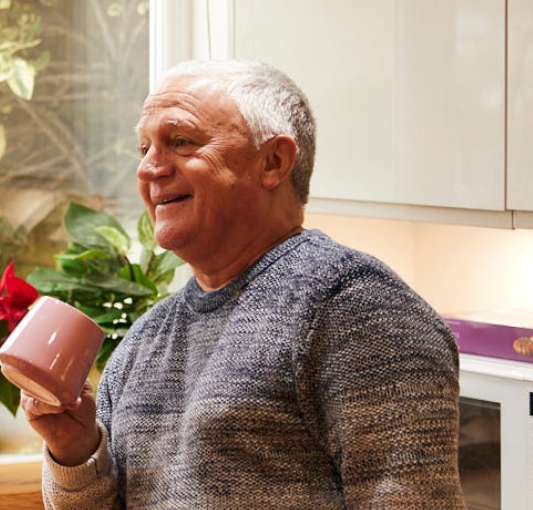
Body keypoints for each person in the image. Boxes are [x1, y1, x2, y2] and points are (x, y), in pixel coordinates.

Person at [25, 59, 464, 508]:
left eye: (180, 142)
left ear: (273, 162)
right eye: (144, 149)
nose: (150, 169)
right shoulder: (145, 340)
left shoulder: (356, 307)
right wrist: (74, 450)